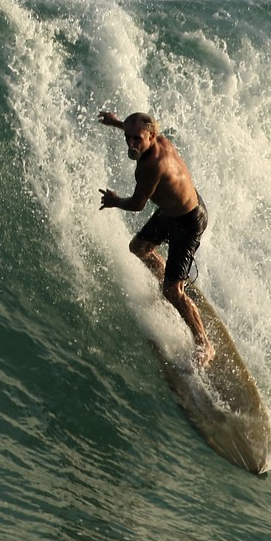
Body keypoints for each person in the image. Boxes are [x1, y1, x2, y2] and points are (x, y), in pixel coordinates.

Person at [97, 111, 215, 366]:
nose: (131, 144)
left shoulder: (151, 166)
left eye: (136, 139)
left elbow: (138, 204)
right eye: (127, 137)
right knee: (138, 247)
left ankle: (204, 343)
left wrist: (114, 201)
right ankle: (168, 280)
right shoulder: (155, 138)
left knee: (172, 291)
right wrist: (116, 123)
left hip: (189, 222)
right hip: (174, 211)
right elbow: (136, 131)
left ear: (151, 136)